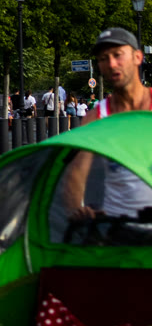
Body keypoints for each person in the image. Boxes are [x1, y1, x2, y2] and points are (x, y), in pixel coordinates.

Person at [60, 28, 152, 230]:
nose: (111, 64)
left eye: (118, 55)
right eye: (103, 59)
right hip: (118, 231)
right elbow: (76, 174)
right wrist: (78, 211)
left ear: (138, 57)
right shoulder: (96, 117)